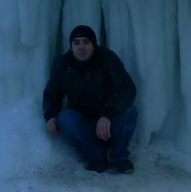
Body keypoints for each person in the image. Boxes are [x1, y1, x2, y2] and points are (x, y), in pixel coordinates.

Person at [43, 25, 137, 173]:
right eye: (76, 42)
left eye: (86, 42)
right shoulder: (63, 64)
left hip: (111, 122)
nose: (81, 47)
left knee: (130, 111)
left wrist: (107, 115)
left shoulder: (107, 58)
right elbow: (52, 93)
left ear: (94, 44)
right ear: (71, 46)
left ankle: (120, 157)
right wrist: (50, 115)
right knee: (64, 118)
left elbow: (127, 88)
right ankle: (96, 157)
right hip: (85, 124)